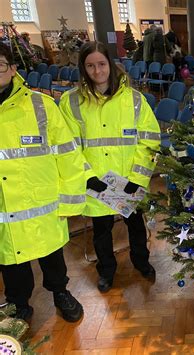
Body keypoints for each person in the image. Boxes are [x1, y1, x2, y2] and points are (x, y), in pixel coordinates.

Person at [59, 42, 161, 293]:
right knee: (101, 232)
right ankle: (106, 271)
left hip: (128, 180)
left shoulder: (134, 100)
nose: (97, 71)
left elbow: (149, 140)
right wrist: (88, 176)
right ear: (83, 69)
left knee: (135, 226)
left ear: (111, 65)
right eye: (90, 66)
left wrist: (138, 177)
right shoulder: (71, 102)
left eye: (101, 64)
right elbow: (67, 146)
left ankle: (142, 262)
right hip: (97, 182)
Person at [0, 42, 85, 322]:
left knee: (52, 256)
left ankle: (60, 292)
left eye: (0, 65)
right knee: (11, 260)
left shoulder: (41, 105)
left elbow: (68, 156)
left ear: (13, 69)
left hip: (42, 202)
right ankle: (17, 303)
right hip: (4, 208)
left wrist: (71, 201)